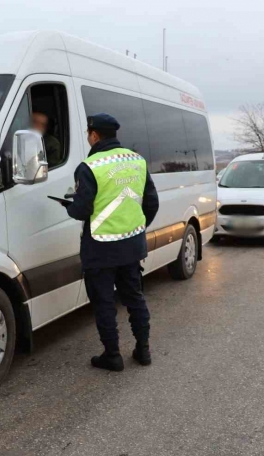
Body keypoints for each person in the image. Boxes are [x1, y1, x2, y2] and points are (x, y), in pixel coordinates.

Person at [64, 114, 159, 371]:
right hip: (131, 245)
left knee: (104, 302)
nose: (88, 138)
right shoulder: (137, 160)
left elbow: (82, 211)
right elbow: (151, 203)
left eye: (88, 134)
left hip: (100, 248)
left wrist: (69, 207)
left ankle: (113, 356)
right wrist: (135, 227)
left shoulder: (89, 166)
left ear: (94, 135)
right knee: (134, 298)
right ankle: (143, 350)